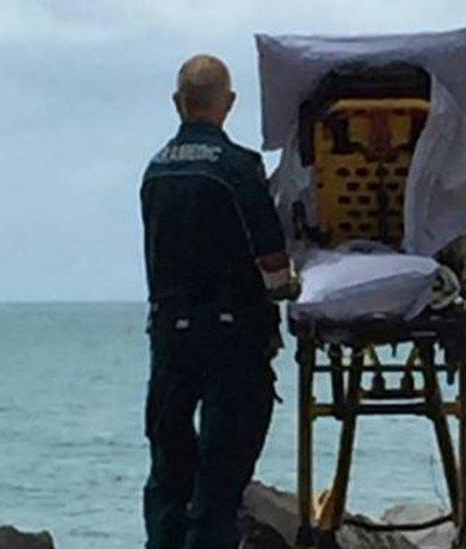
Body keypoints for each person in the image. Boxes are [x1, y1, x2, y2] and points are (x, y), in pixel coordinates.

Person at [140, 54, 293, 549]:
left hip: (168, 334)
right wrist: (288, 289)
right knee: (220, 476)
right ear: (229, 104)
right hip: (230, 336)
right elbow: (272, 258)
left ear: (176, 103)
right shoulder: (236, 167)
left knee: (169, 469)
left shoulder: (155, 170)